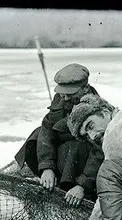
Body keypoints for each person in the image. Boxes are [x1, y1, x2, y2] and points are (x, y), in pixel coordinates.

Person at [14, 63, 104, 206]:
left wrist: (82, 186)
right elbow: (47, 127)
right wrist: (47, 167)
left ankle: (71, 187)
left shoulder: (98, 111)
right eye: (63, 93)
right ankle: (52, 178)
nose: (65, 98)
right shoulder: (61, 97)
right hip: (64, 154)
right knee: (38, 134)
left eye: (71, 94)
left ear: (85, 88)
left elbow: (99, 152)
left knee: (77, 147)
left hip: (83, 161)